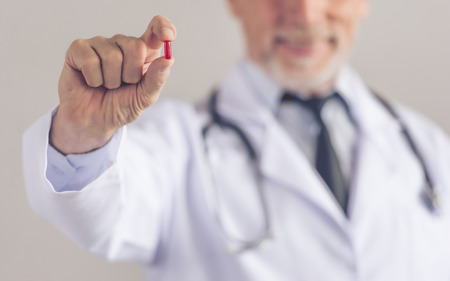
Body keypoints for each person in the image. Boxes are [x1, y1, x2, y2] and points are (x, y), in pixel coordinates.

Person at [22, 0, 450, 280]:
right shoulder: (175, 146)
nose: (306, 13)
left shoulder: (428, 147)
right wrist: (86, 132)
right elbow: (104, 212)